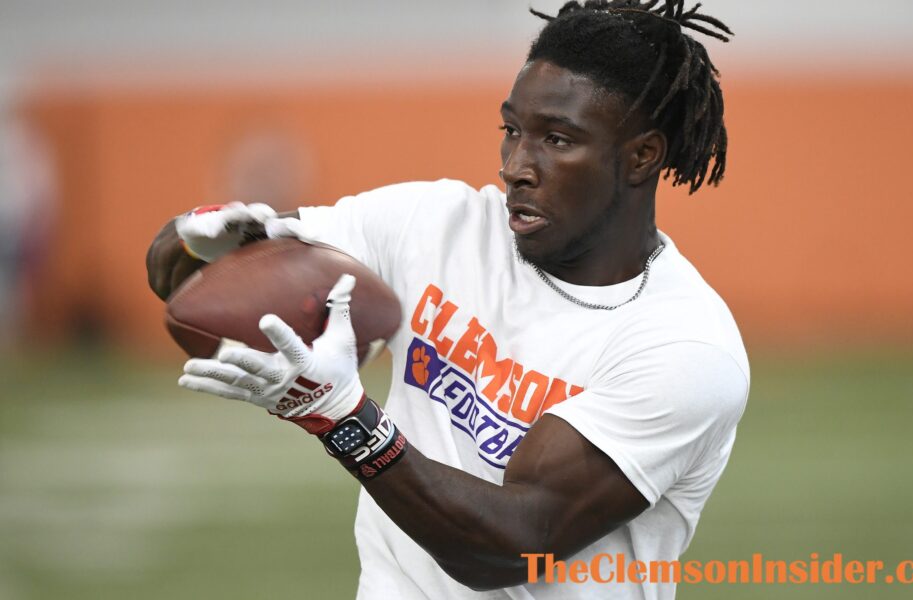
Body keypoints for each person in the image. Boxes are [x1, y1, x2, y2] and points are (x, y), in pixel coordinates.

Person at [145, 2, 748, 598]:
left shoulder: (687, 346)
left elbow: (514, 544)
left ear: (642, 156)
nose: (516, 166)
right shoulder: (435, 224)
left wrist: (344, 418)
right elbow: (183, 271)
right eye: (511, 131)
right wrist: (206, 240)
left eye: (557, 139)